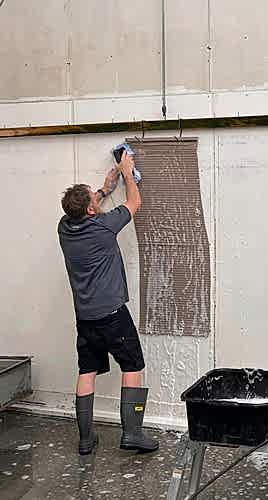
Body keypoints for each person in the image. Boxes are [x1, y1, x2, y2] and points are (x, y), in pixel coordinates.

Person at [58, 152, 158, 456]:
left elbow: (82, 208)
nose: (97, 200)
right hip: (113, 315)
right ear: (91, 210)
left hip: (85, 318)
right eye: (94, 199)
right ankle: (132, 434)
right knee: (133, 365)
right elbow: (134, 203)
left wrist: (104, 188)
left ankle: (86, 439)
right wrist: (127, 173)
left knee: (87, 371)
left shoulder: (64, 228)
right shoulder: (103, 226)